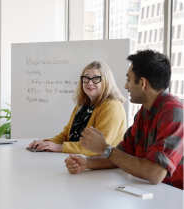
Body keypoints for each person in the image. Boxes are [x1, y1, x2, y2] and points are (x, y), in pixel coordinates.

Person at [65, 49, 184, 190]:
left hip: (174, 195)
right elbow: (121, 155)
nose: (125, 86)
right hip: (152, 191)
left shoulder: (174, 111)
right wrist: (86, 163)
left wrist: (103, 148)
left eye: (128, 80)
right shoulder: (145, 111)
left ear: (143, 83)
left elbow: (155, 173)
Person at [28, 61, 127, 156]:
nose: (90, 83)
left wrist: (59, 147)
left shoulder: (112, 106)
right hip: (79, 161)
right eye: (86, 78)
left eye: (96, 78)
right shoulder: (82, 106)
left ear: (106, 81)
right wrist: (46, 143)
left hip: (103, 168)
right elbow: (66, 135)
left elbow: (99, 147)